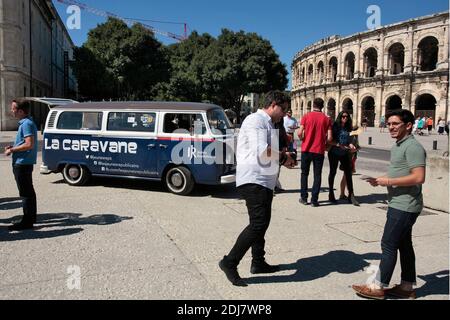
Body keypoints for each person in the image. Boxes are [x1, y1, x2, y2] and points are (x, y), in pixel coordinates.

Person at [219, 91, 295, 287]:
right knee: (258, 224)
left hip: (265, 180)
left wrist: (284, 159)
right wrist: (284, 158)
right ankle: (229, 262)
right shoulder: (255, 120)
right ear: (273, 104)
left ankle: (258, 262)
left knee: (262, 223)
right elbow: (262, 150)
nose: (284, 114)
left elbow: (269, 153)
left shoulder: (269, 123)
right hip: (253, 179)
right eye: (283, 109)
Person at [352, 109, 426, 300]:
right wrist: (381, 179)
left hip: (405, 205)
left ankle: (377, 286)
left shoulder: (413, 147)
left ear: (408, 125)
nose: (390, 127)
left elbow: (419, 177)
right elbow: (398, 173)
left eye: (395, 124)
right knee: (404, 245)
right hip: (399, 202)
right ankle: (407, 286)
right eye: (389, 123)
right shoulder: (398, 146)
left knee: (388, 244)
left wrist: (388, 182)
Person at [4, 100, 38, 231]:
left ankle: (27, 221)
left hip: (22, 163)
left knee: (25, 193)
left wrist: (12, 150)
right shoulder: (26, 123)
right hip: (24, 162)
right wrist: (14, 146)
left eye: (13, 109)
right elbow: (25, 143)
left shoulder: (26, 124)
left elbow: (29, 144)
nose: (11, 111)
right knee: (28, 192)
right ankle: (30, 219)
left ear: (21, 111)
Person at [298, 98, 333, 207]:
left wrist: (303, 139)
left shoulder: (306, 116)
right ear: (323, 106)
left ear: (313, 105)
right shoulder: (326, 119)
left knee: (304, 174)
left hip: (306, 149)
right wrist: (325, 143)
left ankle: (304, 198)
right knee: (317, 175)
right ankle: (314, 200)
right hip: (319, 151)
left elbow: (299, 132)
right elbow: (330, 138)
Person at [327, 111, 359, 206]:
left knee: (348, 173)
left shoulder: (348, 127)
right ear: (340, 117)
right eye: (343, 116)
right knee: (333, 172)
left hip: (344, 152)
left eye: (347, 116)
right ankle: (331, 194)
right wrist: (338, 145)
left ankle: (351, 195)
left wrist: (351, 145)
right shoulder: (335, 126)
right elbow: (329, 141)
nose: (345, 118)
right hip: (334, 152)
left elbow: (348, 140)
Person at [339, 126, 361, 199]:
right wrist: (356, 149)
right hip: (348, 158)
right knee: (346, 177)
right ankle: (344, 194)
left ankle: (345, 194)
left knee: (346, 177)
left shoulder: (355, 136)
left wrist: (357, 147)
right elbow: (348, 149)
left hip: (351, 158)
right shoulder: (351, 137)